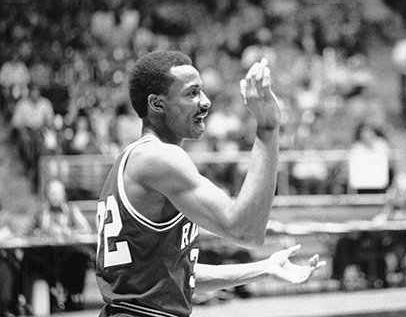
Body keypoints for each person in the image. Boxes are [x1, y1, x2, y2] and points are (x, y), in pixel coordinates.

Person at [96, 51, 324, 317]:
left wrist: (265, 268)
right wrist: (268, 128)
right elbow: (246, 230)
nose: (205, 102)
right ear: (157, 104)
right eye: (192, 93)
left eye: (202, 91)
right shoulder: (159, 158)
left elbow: (175, 277)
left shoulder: (135, 159)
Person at [21, 179, 94, 312]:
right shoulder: (40, 211)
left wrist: (67, 231)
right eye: (52, 193)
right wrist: (42, 233)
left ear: (63, 194)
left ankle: (72, 297)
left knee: (80, 258)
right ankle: (47, 297)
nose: (55, 196)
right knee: (32, 260)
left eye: (58, 193)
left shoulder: (71, 210)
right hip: (45, 254)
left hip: (68, 253)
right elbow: (27, 232)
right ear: (47, 195)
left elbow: (86, 229)